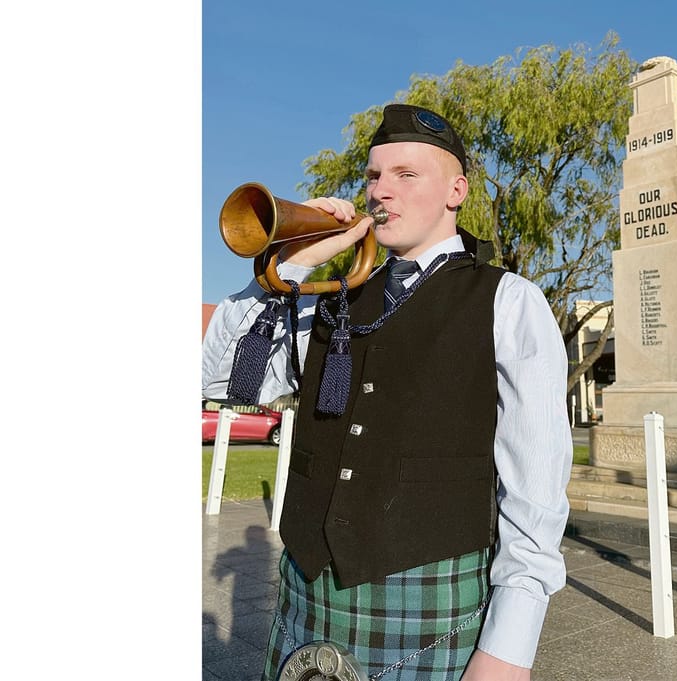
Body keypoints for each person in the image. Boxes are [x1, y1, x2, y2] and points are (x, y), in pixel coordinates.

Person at [202, 103, 573, 681]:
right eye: (374, 176)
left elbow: (537, 481)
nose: (382, 192)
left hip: (427, 598)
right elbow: (224, 380)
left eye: (407, 175)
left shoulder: (509, 300)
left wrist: (509, 648)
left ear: (456, 191)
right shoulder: (330, 297)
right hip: (307, 598)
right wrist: (291, 266)